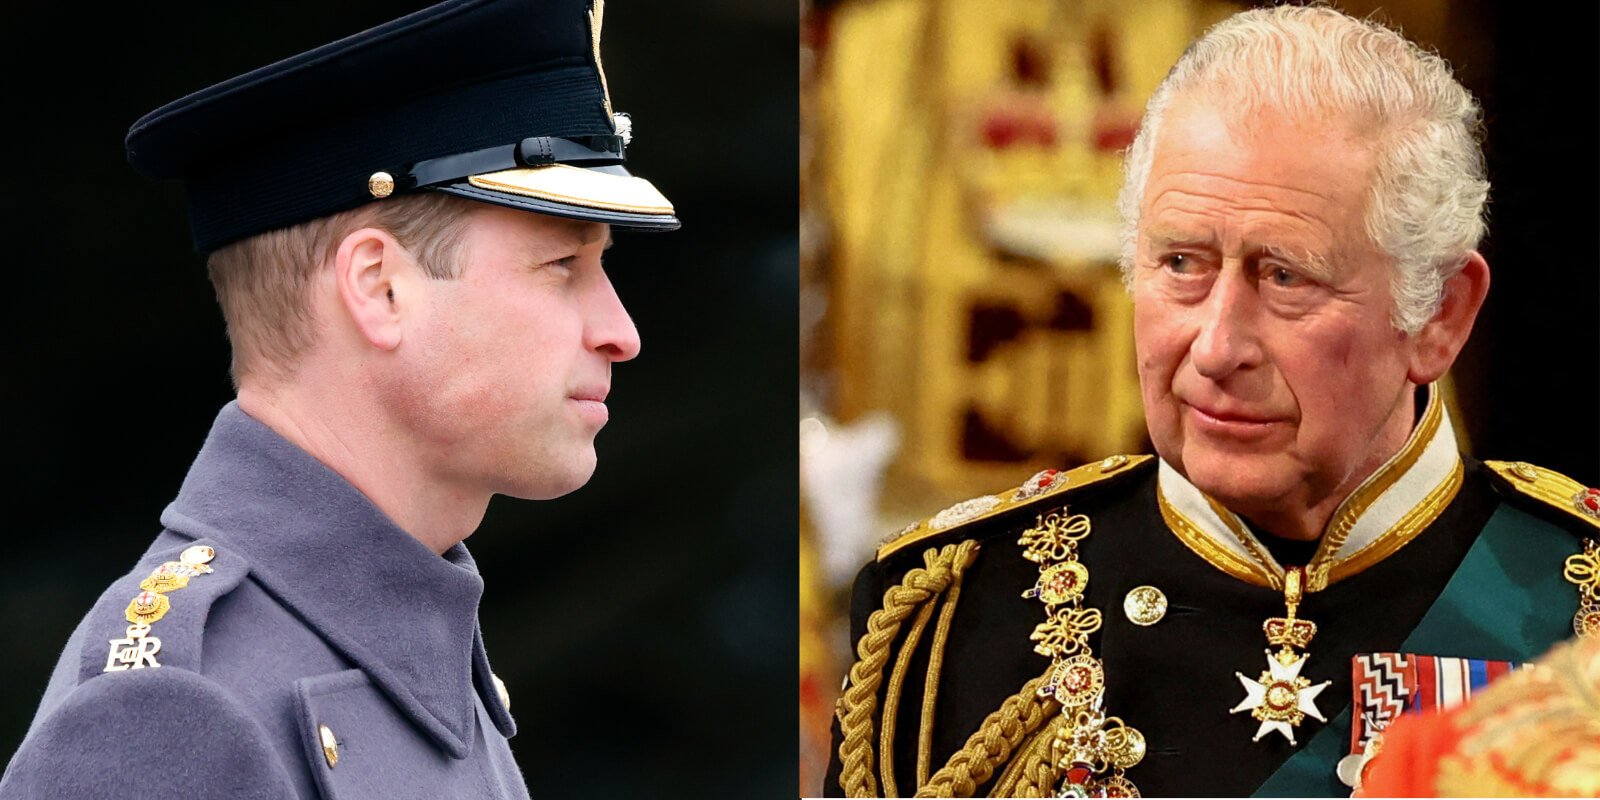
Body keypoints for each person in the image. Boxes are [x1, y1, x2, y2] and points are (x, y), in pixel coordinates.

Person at [824, 6, 1597, 798]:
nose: (1217, 346)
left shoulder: (1578, 613)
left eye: (1286, 276)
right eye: (1182, 263)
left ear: (1439, 315)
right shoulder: (952, 617)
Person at [0, 0, 676, 797]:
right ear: (380, 289)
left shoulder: (407, 658)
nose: (620, 331)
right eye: (563, 263)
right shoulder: (170, 715)